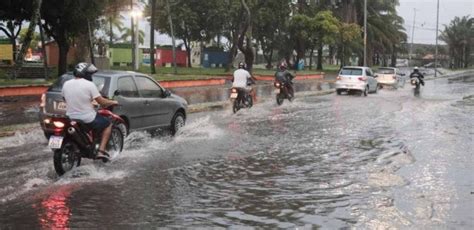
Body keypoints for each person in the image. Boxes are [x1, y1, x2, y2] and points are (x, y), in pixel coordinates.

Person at [62, 63, 118, 160]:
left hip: (70, 117)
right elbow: (102, 103)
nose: (91, 76)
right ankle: (101, 151)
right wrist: (113, 102)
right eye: (90, 74)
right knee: (107, 124)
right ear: (86, 74)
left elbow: (64, 99)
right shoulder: (89, 85)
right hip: (87, 118)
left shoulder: (66, 84)